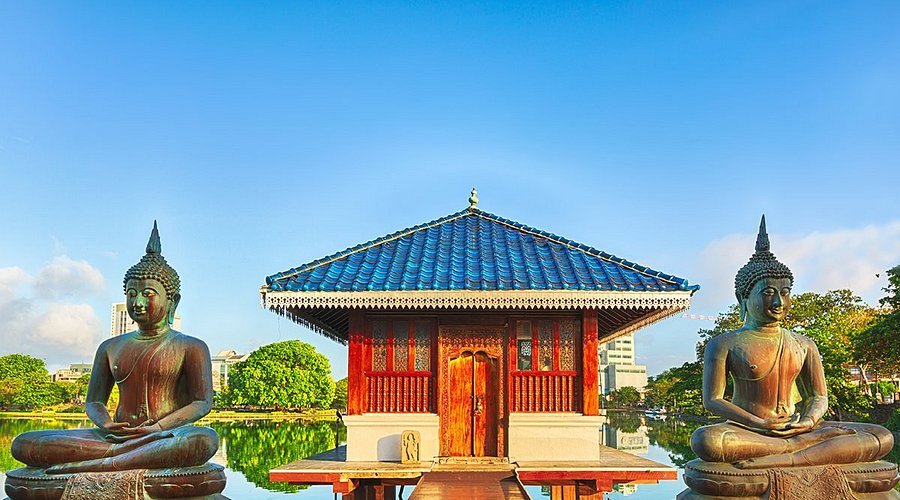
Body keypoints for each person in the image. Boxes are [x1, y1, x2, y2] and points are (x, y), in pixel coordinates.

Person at [11, 222, 218, 473]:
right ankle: (122, 456)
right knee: (25, 443)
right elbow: (94, 401)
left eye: (148, 294)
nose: (138, 302)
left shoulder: (191, 346)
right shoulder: (110, 347)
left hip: (166, 437)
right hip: (114, 437)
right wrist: (106, 424)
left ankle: (107, 462)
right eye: (132, 294)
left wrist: (159, 428)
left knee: (203, 440)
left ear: (172, 301)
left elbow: (201, 402)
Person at [690, 216, 893, 469]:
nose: (778, 303)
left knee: (881, 436)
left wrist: (808, 422)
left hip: (801, 428)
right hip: (751, 431)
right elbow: (713, 400)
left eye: (785, 293)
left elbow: (819, 396)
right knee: (706, 440)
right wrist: (760, 424)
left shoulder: (804, 344)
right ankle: (805, 450)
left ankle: (790, 452)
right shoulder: (724, 344)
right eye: (768, 293)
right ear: (743, 297)